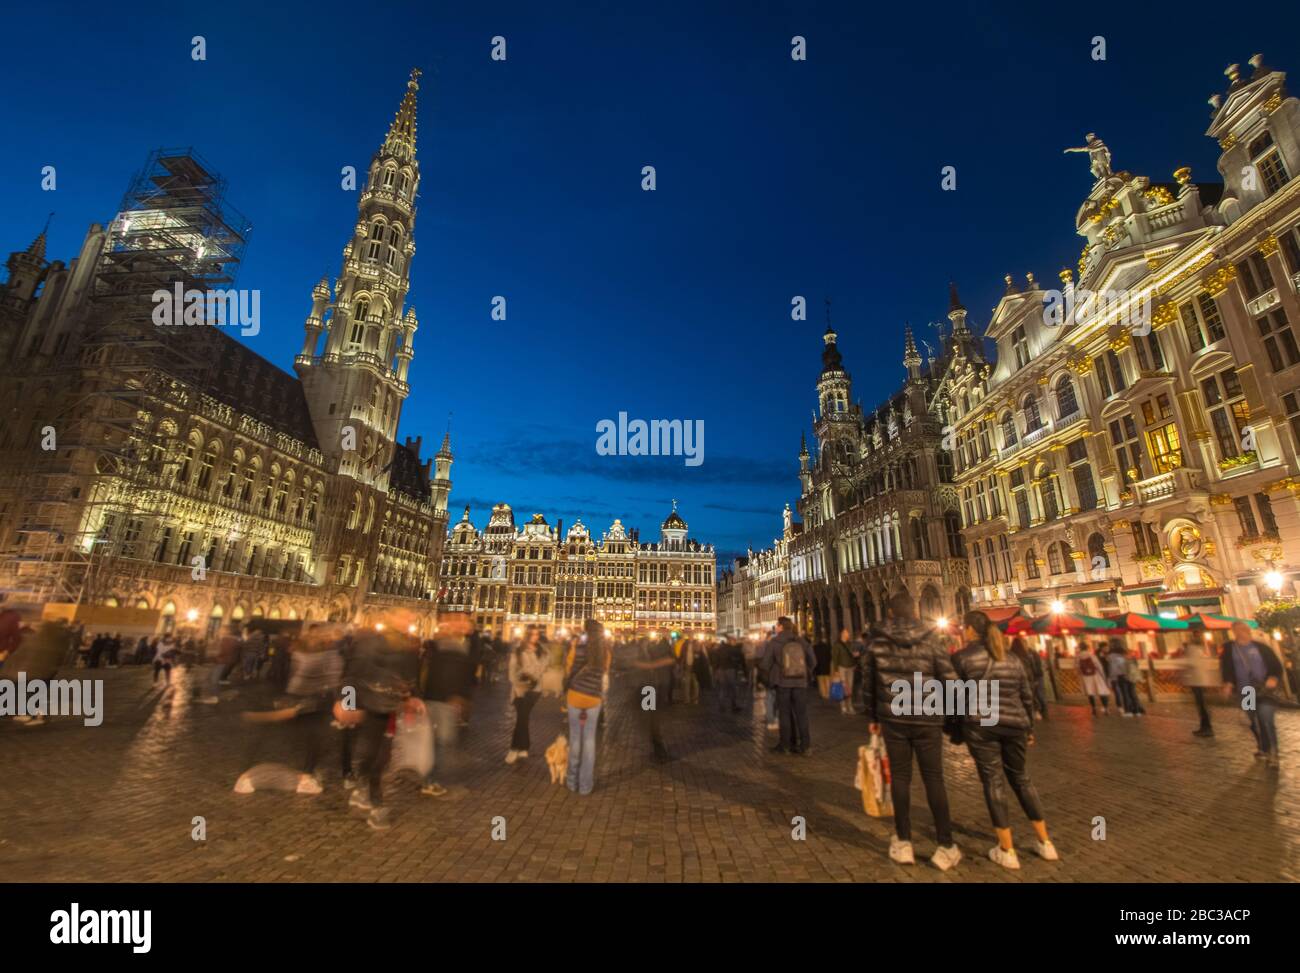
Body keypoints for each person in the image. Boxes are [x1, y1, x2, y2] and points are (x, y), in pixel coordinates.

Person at [952, 611, 1059, 870]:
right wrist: (1029, 728)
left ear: (968, 630)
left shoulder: (962, 658)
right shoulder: (1011, 658)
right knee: (1022, 779)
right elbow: (1027, 696)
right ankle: (1046, 843)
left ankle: (1007, 849)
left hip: (982, 726)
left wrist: (955, 730)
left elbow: (953, 698)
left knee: (993, 782)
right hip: (1015, 726)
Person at [865, 591, 961, 871]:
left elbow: (869, 683)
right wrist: (953, 718)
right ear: (916, 610)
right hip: (928, 716)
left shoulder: (877, 641)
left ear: (891, 613)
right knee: (934, 779)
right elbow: (950, 679)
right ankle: (945, 845)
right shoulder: (931, 639)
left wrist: (872, 716)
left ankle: (904, 843)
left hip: (893, 717)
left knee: (900, 778)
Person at [347, 625, 420, 828]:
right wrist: (348, 705)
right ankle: (376, 805)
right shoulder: (368, 649)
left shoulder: (405, 653)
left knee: (381, 758)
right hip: (370, 708)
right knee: (372, 757)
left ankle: (364, 791)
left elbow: (409, 681)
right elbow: (350, 677)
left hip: (388, 710)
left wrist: (414, 698)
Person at [415, 613, 476, 796]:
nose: (466, 625)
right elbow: (446, 672)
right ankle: (429, 778)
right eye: (463, 622)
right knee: (443, 740)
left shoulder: (460, 644)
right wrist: (457, 696)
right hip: (441, 699)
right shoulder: (447, 645)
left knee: (439, 740)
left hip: (442, 698)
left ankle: (429, 777)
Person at [1220, 622, 1284, 767]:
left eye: (1245, 629)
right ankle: (1263, 747)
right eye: (1239, 630)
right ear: (1234, 632)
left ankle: (1273, 753)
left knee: (1266, 719)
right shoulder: (1230, 648)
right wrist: (1228, 684)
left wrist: (1273, 677)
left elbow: (1276, 666)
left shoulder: (1261, 647)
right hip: (1246, 691)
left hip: (1264, 690)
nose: (1243, 632)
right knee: (1253, 721)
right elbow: (1227, 668)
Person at [565, 620, 611, 794]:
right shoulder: (605, 651)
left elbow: (569, 667)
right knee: (589, 741)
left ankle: (571, 781)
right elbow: (605, 671)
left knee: (575, 738)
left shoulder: (577, 646)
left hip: (575, 695)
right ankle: (585, 786)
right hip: (593, 698)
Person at [759, 617, 816, 755]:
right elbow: (813, 661)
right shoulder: (801, 641)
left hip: (782, 682)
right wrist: (805, 672)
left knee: (784, 714)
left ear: (780, 627)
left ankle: (786, 746)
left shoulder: (775, 642)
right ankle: (806, 746)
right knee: (802, 714)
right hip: (800, 683)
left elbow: (765, 664)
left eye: (777, 625)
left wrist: (771, 672)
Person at [506, 626, 547, 763]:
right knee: (522, 718)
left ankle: (516, 748)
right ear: (527, 635)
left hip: (534, 689)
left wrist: (534, 676)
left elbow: (543, 669)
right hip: (519, 689)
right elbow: (511, 672)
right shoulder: (518, 651)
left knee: (523, 717)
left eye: (537, 634)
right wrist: (519, 680)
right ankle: (521, 747)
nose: (535, 637)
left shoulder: (542, 652)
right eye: (532, 634)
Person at [633, 635, 676, 761]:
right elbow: (642, 666)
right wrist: (662, 663)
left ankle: (656, 747)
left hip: (652, 686)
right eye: (647, 643)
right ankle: (658, 750)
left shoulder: (650, 652)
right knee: (652, 718)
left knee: (652, 717)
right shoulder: (641, 655)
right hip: (648, 688)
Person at [1180, 639, 1219, 737]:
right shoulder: (1199, 651)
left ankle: (1207, 728)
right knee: (1202, 706)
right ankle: (1205, 727)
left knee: (1202, 706)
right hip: (1200, 681)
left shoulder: (1192, 651)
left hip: (1197, 682)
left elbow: (1191, 663)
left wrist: (1181, 662)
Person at [1010, 637, 1048, 720]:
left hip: (1021, 682)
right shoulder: (1027, 655)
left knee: (1032, 696)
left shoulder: (1012, 656)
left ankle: (1038, 712)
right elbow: (1031, 669)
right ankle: (1039, 712)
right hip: (1030, 680)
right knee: (1034, 696)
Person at [1105, 641, 1141, 717]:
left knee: (1125, 693)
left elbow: (1113, 669)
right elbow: (1136, 664)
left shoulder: (1111, 656)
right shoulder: (1127, 653)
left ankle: (1128, 711)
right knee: (1133, 693)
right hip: (1131, 675)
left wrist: (1111, 677)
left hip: (1122, 676)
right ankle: (1137, 711)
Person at [1075, 643, 1110, 715]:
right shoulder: (1091, 655)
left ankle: (1094, 708)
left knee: (1090, 692)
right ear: (1087, 648)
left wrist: (1080, 675)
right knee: (1102, 691)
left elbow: (1077, 667)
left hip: (1085, 677)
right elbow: (1099, 665)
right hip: (1095, 675)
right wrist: (1103, 676)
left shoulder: (1078, 657)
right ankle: (1106, 708)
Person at [714, 637, 745, 713]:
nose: (735, 643)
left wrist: (716, 669)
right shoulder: (732, 649)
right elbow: (739, 659)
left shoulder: (720, 649)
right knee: (733, 688)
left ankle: (721, 706)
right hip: (730, 669)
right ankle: (734, 705)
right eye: (734, 641)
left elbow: (716, 659)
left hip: (721, 669)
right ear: (731, 641)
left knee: (723, 688)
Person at [831, 628, 857, 715]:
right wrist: (836, 670)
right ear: (842, 634)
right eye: (846, 633)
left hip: (850, 667)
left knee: (850, 688)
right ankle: (843, 707)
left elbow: (852, 654)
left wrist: (855, 656)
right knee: (843, 687)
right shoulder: (837, 645)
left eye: (848, 633)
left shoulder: (850, 644)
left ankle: (850, 706)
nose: (848, 634)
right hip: (841, 667)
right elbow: (835, 658)